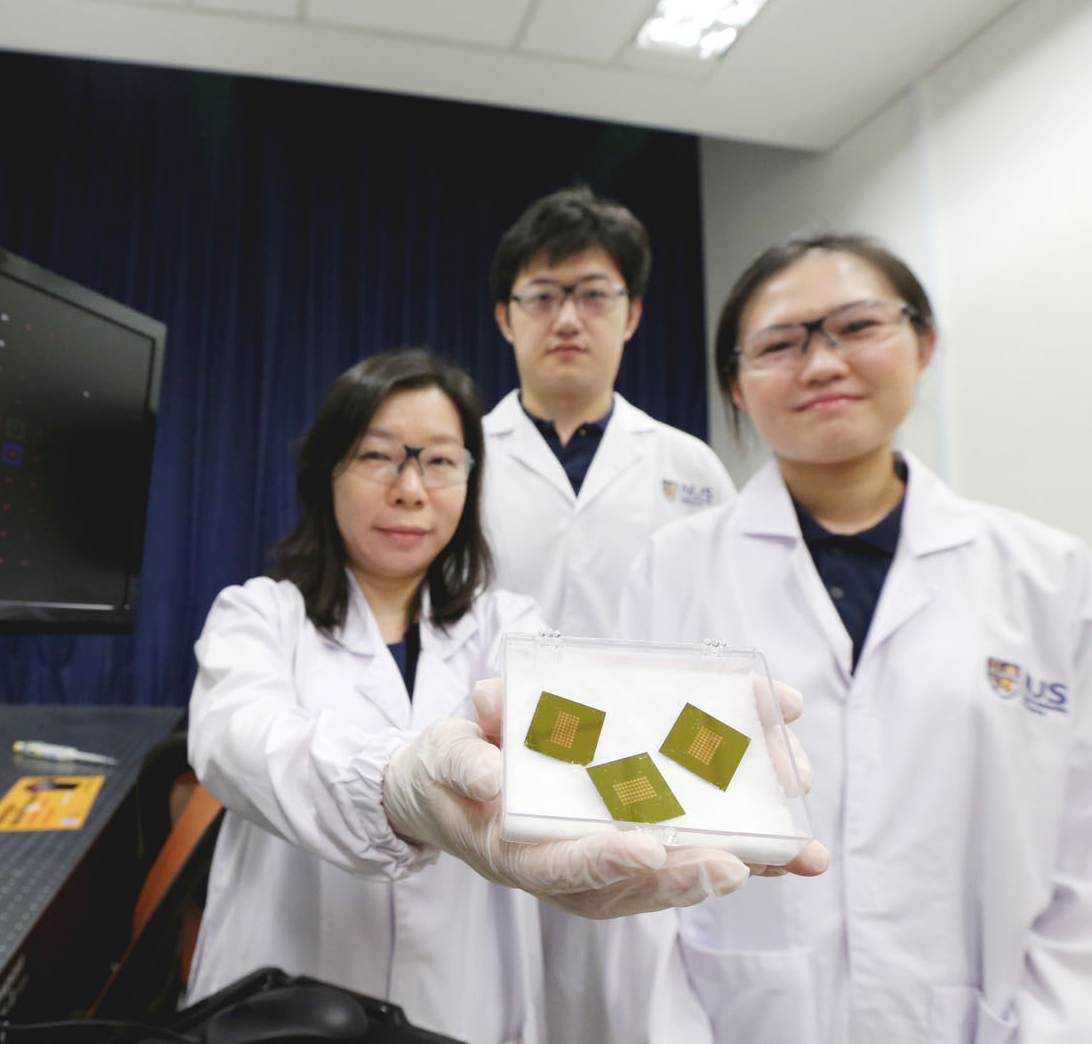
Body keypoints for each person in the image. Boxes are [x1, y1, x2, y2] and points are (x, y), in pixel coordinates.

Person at [184, 349, 763, 1044]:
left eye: (440, 460)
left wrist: (707, 773)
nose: (411, 489)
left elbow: (581, 733)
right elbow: (243, 741)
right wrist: (399, 785)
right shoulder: (257, 618)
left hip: (461, 1003)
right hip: (285, 999)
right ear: (325, 471)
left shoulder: (509, 627)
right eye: (378, 456)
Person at [608, 235, 1092, 1041]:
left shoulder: (1051, 579)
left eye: (857, 327)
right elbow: (630, 824)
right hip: (739, 1014)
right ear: (735, 379)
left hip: (999, 1018)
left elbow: (1083, 848)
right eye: (780, 343)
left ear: (923, 341)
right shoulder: (673, 571)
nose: (823, 363)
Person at [483, 185, 735, 636]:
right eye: (542, 297)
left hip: (645, 707)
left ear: (632, 316)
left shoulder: (692, 467)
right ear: (505, 318)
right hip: (488, 704)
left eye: (594, 296)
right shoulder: (460, 459)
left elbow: (728, 617)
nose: (567, 321)